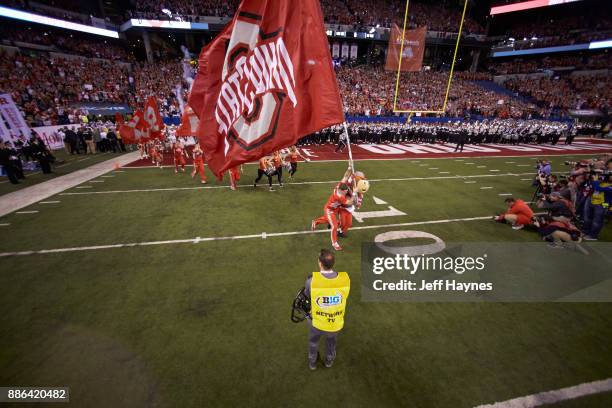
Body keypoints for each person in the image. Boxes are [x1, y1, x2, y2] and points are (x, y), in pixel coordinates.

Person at [303, 249, 350, 370]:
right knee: (331, 343)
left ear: (320, 263)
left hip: (317, 322)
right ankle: (329, 361)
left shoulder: (311, 280)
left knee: (313, 343)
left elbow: (307, 296)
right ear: (333, 263)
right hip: (335, 323)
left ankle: (312, 363)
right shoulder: (346, 279)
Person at [311, 168, 354, 250]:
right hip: (329, 210)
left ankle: (316, 221)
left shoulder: (339, 185)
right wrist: (354, 193)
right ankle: (334, 243)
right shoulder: (339, 196)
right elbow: (349, 203)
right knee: (334, 226)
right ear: (340, 190)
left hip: (336, 209)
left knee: (329, 220)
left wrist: (349, 169)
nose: (345, 193)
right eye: (344, 192)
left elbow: (345, 176)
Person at [582, 173, 611, 241]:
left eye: (602, 177)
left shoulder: (609, 186)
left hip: (602, 204)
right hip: (592, 201)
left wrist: (595, 180)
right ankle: (586, 232)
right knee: (588, 218)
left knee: (597, 221)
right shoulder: (599, 182)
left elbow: (598, 188)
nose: (600, 178)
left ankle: (593, 236)